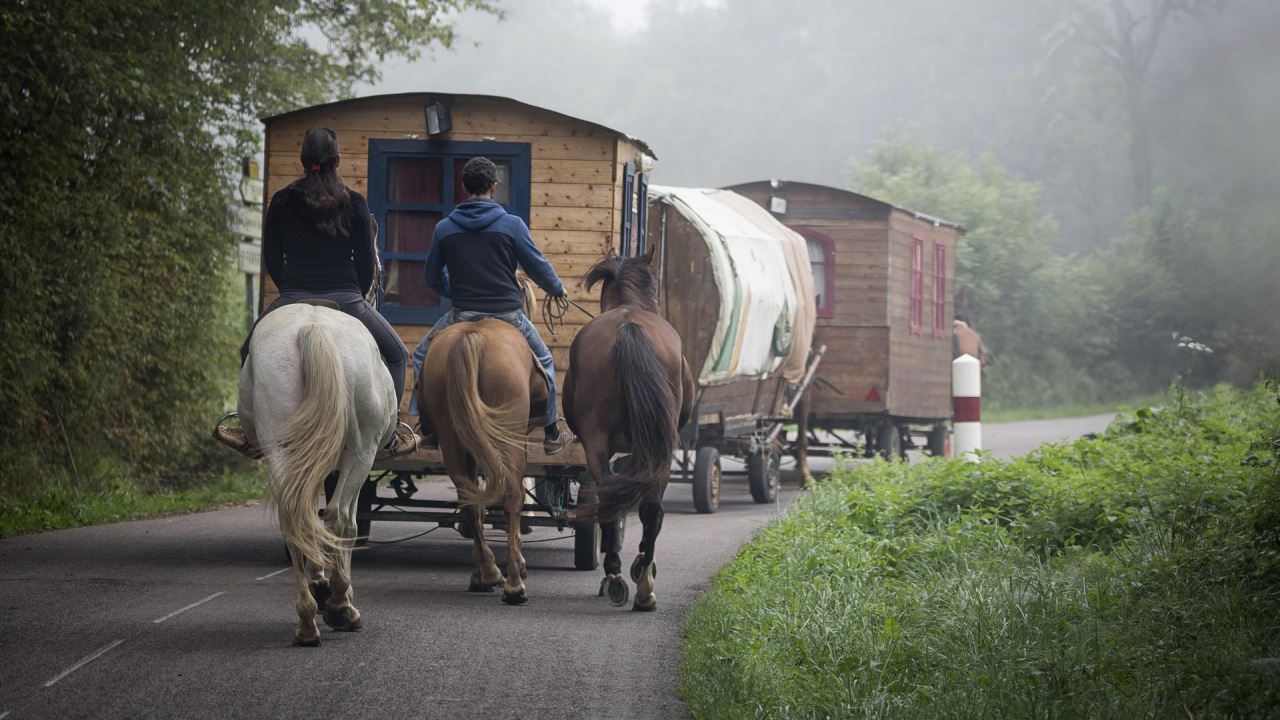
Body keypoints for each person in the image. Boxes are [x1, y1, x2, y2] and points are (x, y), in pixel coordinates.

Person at [215, 127, 418, 460]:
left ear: (303, 160)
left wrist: (290, 291)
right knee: (397, 354)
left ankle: (249, 429)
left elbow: (272, 259)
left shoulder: (282, 200)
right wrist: (354, 291)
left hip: (292, 295)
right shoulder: (354, 202)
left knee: (248, 349)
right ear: (337, 159)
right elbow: (367, 264)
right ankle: (392, 429)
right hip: (348, 299)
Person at [412, 156, 572, 455]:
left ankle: (428, 426)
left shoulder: (444, 228)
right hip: (508, 316)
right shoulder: (512, 225)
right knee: (546, 361)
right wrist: (556, 288)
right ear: (493, 187)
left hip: (462, 314)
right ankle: (551, 431)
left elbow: (432, 277)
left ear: (464, 187)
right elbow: (536, 265)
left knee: (422, 355)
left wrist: (453, 288)